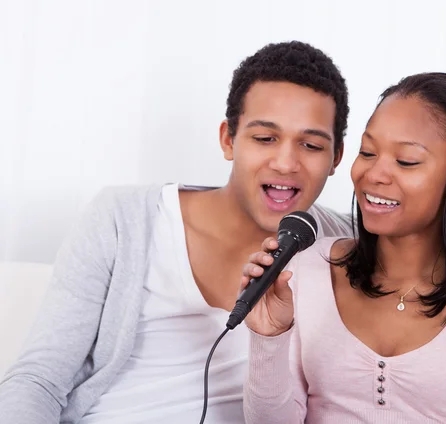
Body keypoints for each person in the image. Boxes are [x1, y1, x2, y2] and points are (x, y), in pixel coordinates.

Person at [0, 41, 354, 423]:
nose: (286, 162)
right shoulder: (124, 220)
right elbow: (38, 380)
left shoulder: (347, 247)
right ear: (228, 139)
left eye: (311, 145)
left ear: (335, 157)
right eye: (265, 138)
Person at [240, 72, 446, 423]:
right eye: (367, 152)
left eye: (406, 161)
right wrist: (269, 338)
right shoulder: (308, 267)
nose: (374, 174)